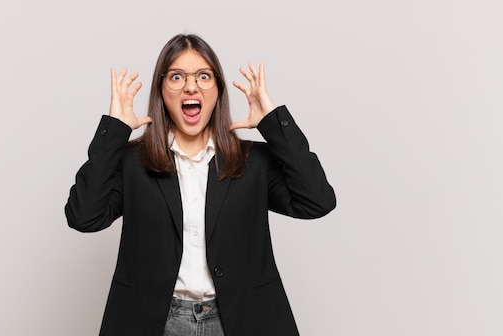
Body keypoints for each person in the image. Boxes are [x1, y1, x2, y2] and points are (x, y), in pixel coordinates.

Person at [65, 33, 336, 336]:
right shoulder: (132, 163)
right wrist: (114, 131)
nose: (191, 86)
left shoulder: (253, 162)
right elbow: (83, 216)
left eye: (204, 76)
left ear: (218, 90)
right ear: (161, 90)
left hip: (241, 320)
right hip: (155, 322)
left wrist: (273, 122)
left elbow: (317, 201)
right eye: (177, 76)